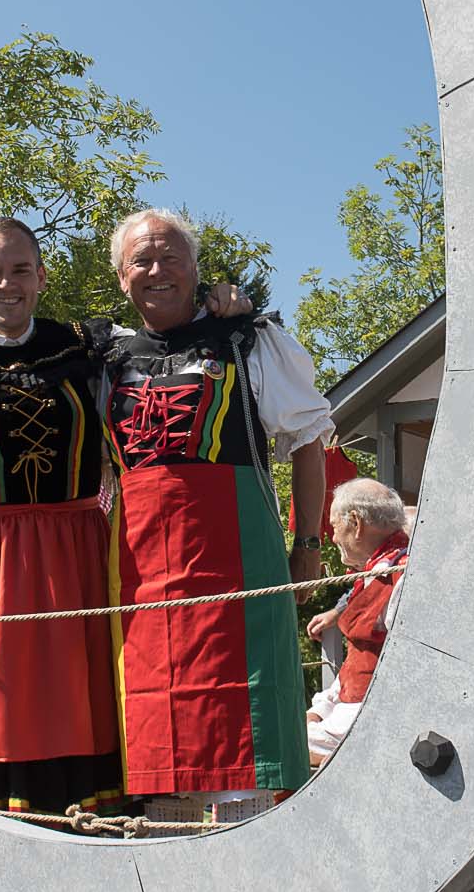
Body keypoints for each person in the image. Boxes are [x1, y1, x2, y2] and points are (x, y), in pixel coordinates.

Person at [0, 216, 246, 815]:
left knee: (85, 711)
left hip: (79, 561)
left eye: (20, 270)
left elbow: (167, 329)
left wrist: (223, 302)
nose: (7, 284)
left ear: (41, 277)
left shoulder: (89, 349)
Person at [104, 208, 334, 816]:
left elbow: (309, 443)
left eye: (171, 257)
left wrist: (307, 545)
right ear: (122, 279)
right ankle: (162, 885)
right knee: (156, 742)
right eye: (142, 261)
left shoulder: (246, 338)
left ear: (196, 270)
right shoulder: (104, 358)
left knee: (242, 736)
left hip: (238, 558)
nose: (158, 271)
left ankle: (251, 880)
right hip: (137, 571)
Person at [303, 479, 410, 765]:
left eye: (335, 527)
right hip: (353, 714)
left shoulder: (403, 575)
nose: (334, 538)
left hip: (377, 724)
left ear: (356, 523)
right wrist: (319, 711)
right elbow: (356, 664)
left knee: (270, 743)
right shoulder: (376, 572)